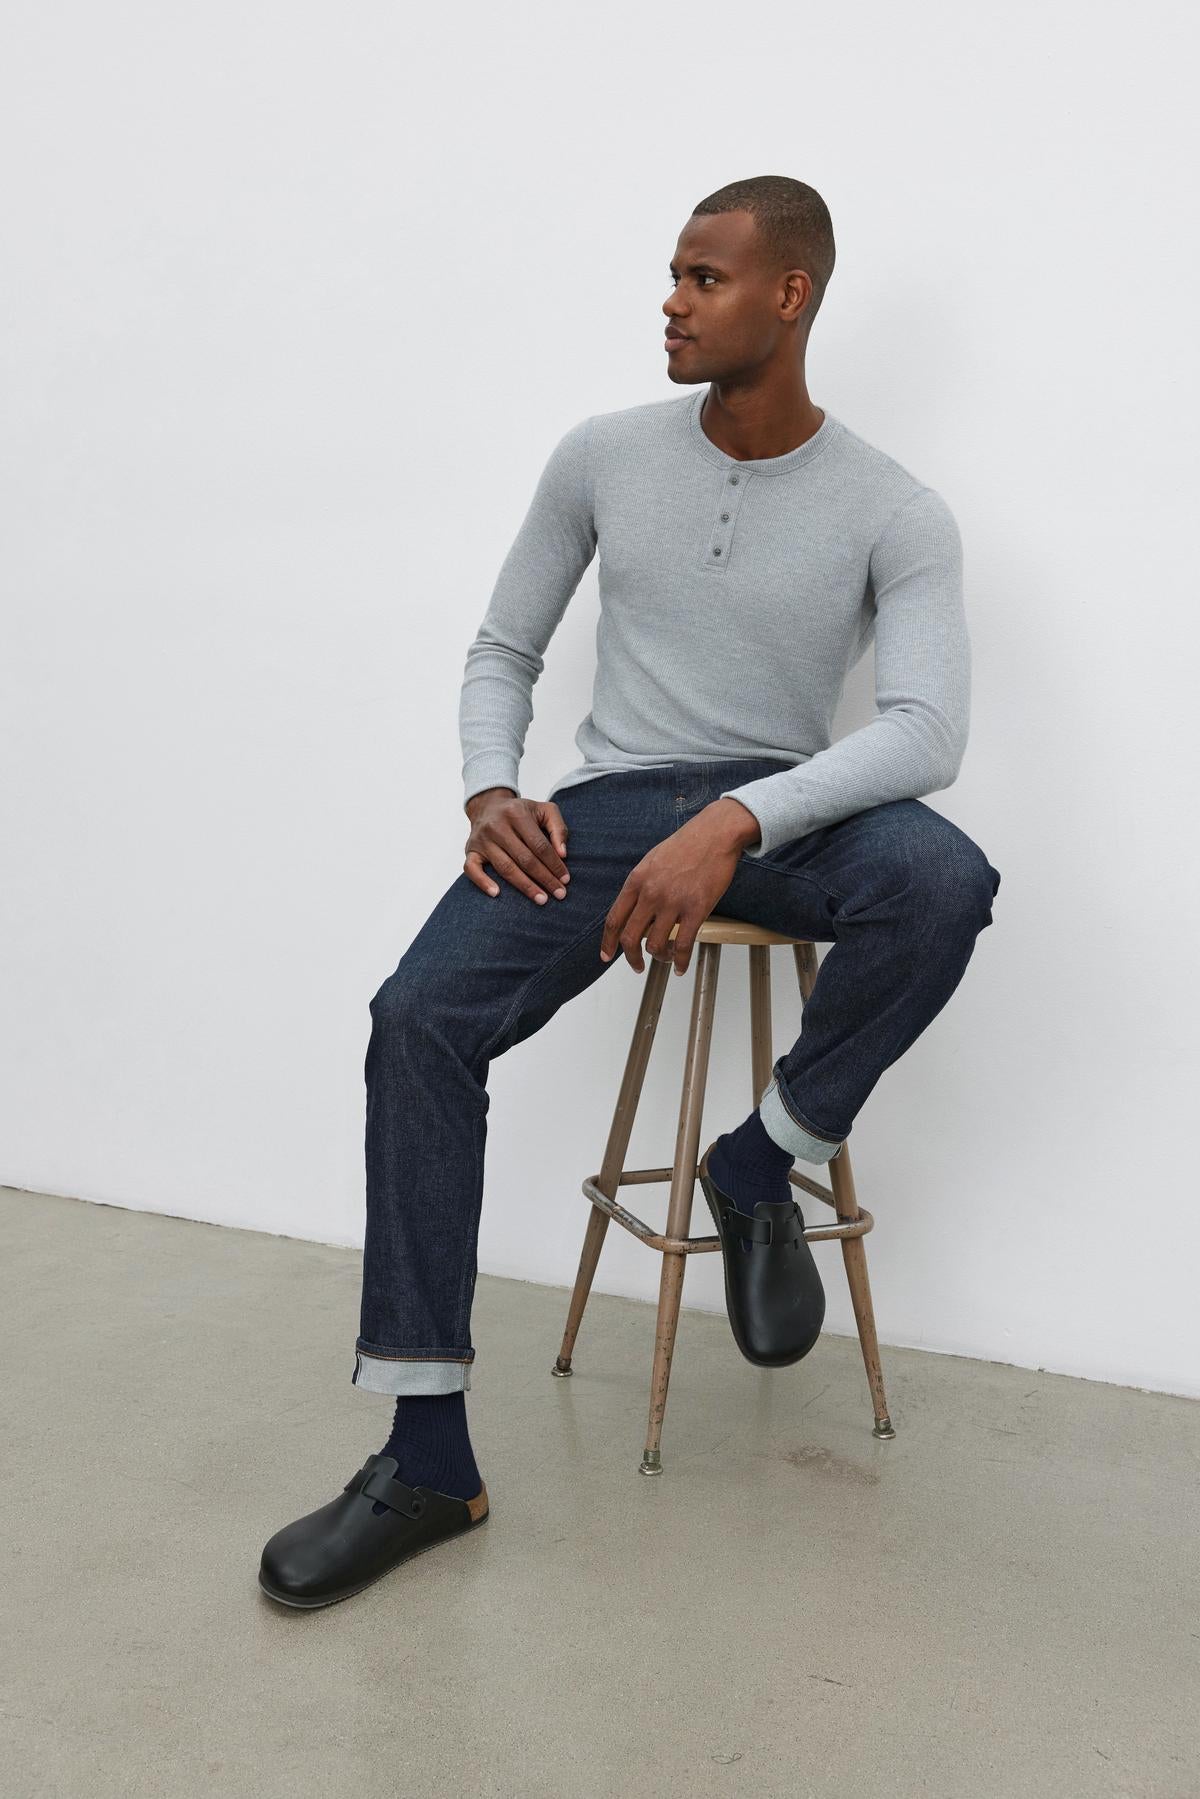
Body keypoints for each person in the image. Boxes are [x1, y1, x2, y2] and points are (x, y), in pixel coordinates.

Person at [258, 174, 1001, 1609]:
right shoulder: (601, 454)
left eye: (705, 278)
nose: (671, 300)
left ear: (789, 296)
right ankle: (425, 1458)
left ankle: (760, 1154)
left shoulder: (897, 510)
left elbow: (924, 734)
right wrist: (493, 788)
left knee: (943, 878)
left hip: (778, 810)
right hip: (599, 813)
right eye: (672, 273)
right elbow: (502, 651)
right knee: (417, 1020)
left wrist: (735, 818)